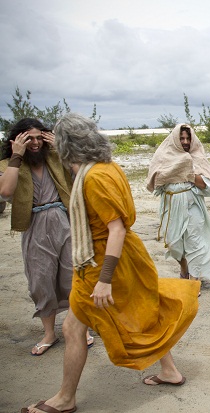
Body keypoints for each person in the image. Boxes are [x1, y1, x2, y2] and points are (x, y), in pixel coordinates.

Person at [21, 113, 199, 413]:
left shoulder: (95, 177)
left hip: (104, 263)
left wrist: (104, 279)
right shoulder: (106, 166)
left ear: (66, 145)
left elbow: (115, 228)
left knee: (75, 328)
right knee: (144, 311)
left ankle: (65, 399)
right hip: (122, 257)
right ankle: (170, 371)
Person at [0, 118, 93, 356]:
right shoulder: (9, 164)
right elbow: (5, 192)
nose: (35, 143)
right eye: (28, 138)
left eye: (39, 138)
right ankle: (50, 333)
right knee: (40, 279)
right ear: (17, 139)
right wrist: (16, 155)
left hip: (64, 221)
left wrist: (60, 147)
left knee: (72, 277)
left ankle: (80, 328)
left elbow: (80, 174)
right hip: (35, 226)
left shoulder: (54, 158)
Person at [146, 124, 210, 288]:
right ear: (175, 140)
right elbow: (156, 182)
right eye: (181, 138)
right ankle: (184, 269)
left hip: (193, 208)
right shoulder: (164, 157)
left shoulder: (197, 157)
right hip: (171, 210)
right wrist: (173, 172)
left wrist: (189, 174)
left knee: (194, 244)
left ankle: (193, 282)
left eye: (188, 138)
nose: (185, 142)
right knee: (173, 244)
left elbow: (209, 188)